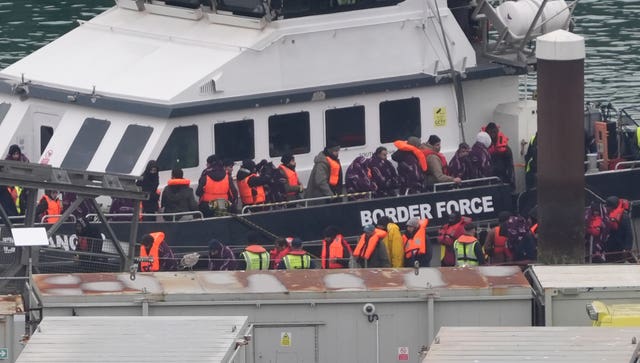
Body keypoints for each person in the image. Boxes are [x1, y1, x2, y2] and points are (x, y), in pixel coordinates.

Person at [483, 122, 515, 187]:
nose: (492, 134)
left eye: (494, 132)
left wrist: (512, 183)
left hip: (502, 180)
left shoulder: (505, 148)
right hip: (488, 181)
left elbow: (510, 167)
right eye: (490, 132)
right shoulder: (483, 148)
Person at [604, 196, 633, 262]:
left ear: (612, 207)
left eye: (607, 206)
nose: (606, 208)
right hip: (609, 248)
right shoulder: (607, 216)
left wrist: (627, 248)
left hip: (620, 248)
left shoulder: (624, 217)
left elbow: (629, 233)